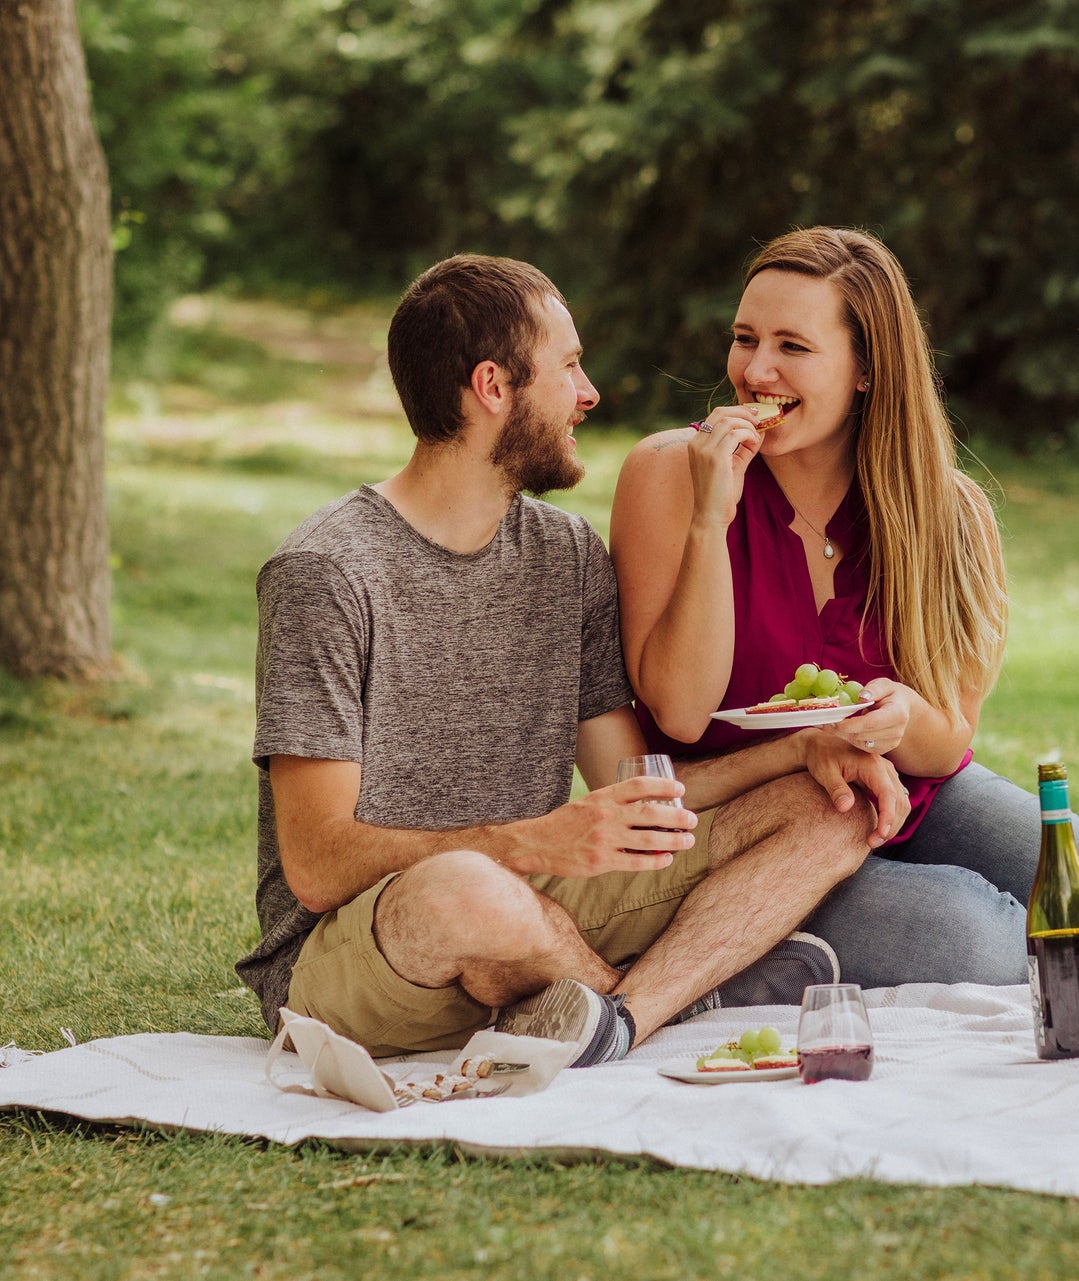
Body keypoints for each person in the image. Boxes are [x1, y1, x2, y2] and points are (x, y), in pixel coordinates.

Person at [234, 254, 910, 1067]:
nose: (589, 394)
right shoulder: (329, 571)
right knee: (468, 887)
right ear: (493, 386)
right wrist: (529, 843)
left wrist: (802, 750)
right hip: (366, 940)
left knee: (825, 806)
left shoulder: (566, 555)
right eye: (568, 368)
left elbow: (642, 786)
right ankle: (657, 992)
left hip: (533, 900)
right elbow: (316, 864)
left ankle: (617, 1017)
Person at [611, 227, 1079, 987]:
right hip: (745, 825)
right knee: (979, 937)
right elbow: (682, 713)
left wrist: (903, 717)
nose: (755, 371)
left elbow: (947, 745)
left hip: (904, 794)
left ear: (866, 371)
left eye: (793, 346)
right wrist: (710, 518)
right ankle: (731, 962)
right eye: (745, 339)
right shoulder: (670, 473)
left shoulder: (949, 512)